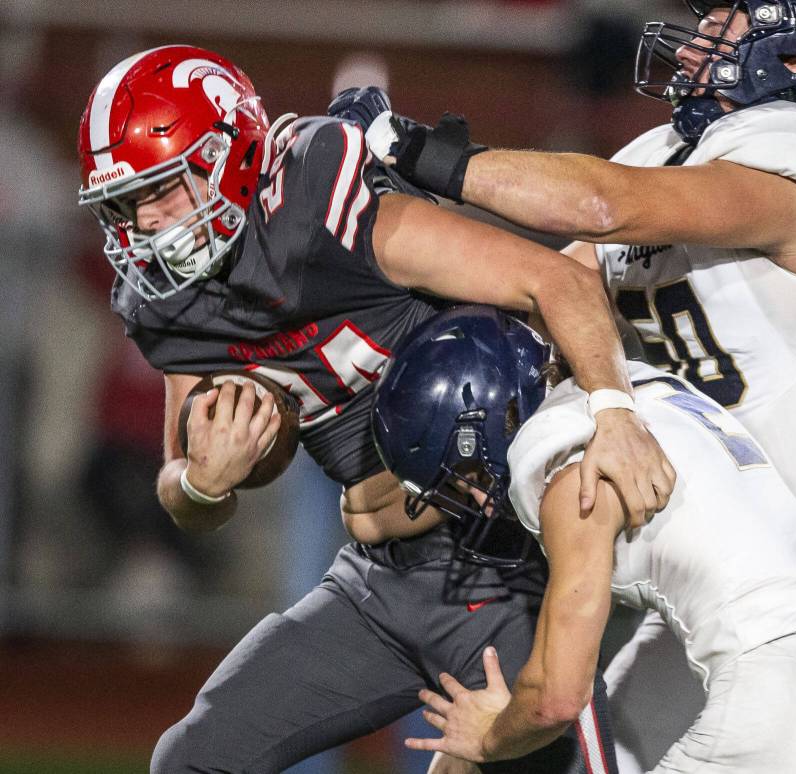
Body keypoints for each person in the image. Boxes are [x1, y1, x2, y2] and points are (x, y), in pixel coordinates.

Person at [340, 2, 796, 772]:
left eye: (729, 27)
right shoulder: (668, 153)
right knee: (605, 756)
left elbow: (604, 205)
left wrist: (406, 147)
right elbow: (548, 284)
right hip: (744, 569)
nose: (696, 43)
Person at [76, 45, 676, 773]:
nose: (145, 222)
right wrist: (205, 483)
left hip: (500, 570)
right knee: (192, 759)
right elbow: (183, 487)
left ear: (228, 157)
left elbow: (560, 282)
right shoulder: (172, 301)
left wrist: (614, 412)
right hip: (375, 582)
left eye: (163, 188)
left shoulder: (317, 207)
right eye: (125, 203)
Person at [372, 305, 796, 773]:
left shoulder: (573, 467)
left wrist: (488, 737)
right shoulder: (649, 401)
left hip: (782, 711)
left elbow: (557, 700)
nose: (480, 499)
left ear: (497, 411)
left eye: (467, 473)